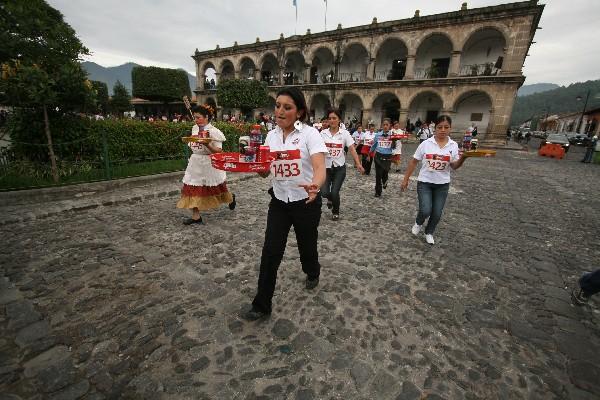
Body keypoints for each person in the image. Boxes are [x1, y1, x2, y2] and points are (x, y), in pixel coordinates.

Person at [245, 87, 328, 321]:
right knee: (270, 251)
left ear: (299, 112)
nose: (280, 111)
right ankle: (262, 304)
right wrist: (260, 169)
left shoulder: (310, 135)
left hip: (306, 202)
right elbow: (265, 171)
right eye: (278, 105)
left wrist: (316, 185)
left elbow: (320, 167)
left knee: (307, 245)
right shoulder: (270, 136)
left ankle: (312, 271)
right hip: (279, 201)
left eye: (287, 107)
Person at [400, 115, 467, 245]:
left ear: (450, 129)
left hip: (442, 185)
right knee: (425, 210)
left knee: (436, 213)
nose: (443, 130)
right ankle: (418, 222)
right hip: (425, 182)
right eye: (439, 127)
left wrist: (463, 158)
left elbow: (454, 166)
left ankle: (429, 232)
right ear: (434, 128)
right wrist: (405, 179)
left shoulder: (453, 145)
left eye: (446, 127)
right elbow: (414, 162)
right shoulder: (426, 144)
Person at [176, 104, 236, 224]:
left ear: (207, 117)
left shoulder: (214, 132)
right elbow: (192, 144)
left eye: (199, 117)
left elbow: (219, 151)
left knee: (217, 188)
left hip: (210, 162)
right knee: (193, 187)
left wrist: (207, 144)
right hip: (195, 162)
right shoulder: (194, 129)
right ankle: (196, 216)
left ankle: (231, 198)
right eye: (195, 117)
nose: (196, 120)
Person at [320, 109, 365, 220]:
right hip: (326, 168)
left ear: (339, 119)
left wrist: (358, 164)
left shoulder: (345, 134)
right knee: (324, 192)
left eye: (334, 118)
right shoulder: (322, 133)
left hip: (339, 169)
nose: (332, 120)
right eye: (330, 118)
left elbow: (352, 149)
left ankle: (336, 211)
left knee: (335, 192)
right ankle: (330, 198)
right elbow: (316, 150)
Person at [370, 118, 395, 198]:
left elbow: (394, 147)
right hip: (378, 156)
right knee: (378, 174)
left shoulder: (393, 135)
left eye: (387, 125)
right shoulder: (377, 135)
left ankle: (385, 181)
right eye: (384, 125)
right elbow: (374, 145)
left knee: (385, 172)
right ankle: (378, 191)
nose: (385, 126)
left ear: (389, 126)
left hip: (388, 157)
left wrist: (394, 141)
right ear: (382, 125)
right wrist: (369, 154)